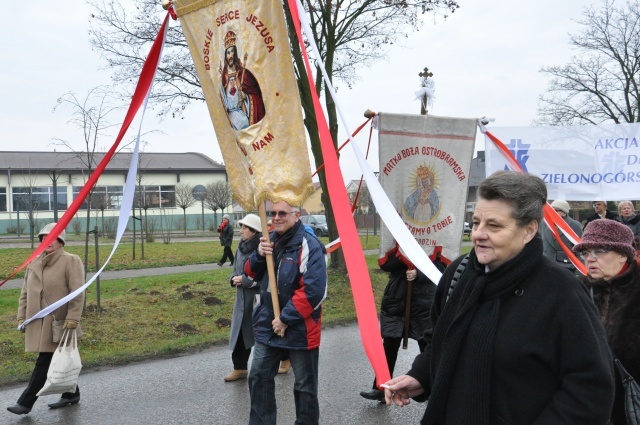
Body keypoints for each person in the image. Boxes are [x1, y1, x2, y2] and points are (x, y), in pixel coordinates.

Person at [383, 171, 615, 425]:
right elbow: (439, 340)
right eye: (476, 222)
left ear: (528, 230)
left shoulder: (562, 292)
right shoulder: (458, 274)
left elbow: (590, 389)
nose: (478, 234)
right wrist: (420, 377)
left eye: (494, 225)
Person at [245, 201, 327, 425]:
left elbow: (314, 291)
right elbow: (250, 273)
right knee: (259, 377)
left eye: (283, 213)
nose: (276, 217)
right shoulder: (268, 240)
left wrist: (285, 318)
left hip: (300, 328)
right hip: (268, 325)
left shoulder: (309, 244)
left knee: (304, 386)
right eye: (273, 213)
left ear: (297, 215)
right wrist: (259, 255)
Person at [7, 223, 85, 415]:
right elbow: (24, 294)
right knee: (57, 360)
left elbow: (77, 293)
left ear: (60, 241)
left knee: (45, 361)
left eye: (51, 238)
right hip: (37, 323)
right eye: (43, 238)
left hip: (60, 323)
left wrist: (73, 318)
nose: (46, 241)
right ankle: (71, 394)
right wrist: (21, 317)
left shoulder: (71, 261)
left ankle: (25, 403)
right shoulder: (33, 263)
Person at [573, 219, 640, 425]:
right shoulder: (577, 289)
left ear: (623, 255)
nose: (590, 259)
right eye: (586, 253)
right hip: (590, 400)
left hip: (631, 398)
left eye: (599, 251)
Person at [360, 244, 443, 402]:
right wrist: (404, 258)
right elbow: (386, 263)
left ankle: (435, 390)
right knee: (389, 344)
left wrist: (419, 273)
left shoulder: (434, 238)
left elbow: (442, 269)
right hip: (396, 298)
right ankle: (381, 387)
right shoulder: (396, 239)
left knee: (427, 346)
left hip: (423, 302)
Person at [224, 213, 262, 382]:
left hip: (257, 300)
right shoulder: (241, 247)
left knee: (265, 332)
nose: (242, 231)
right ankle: (239, 368)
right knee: (239, 333)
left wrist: (245, 281)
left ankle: (284, 359)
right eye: (242, 227)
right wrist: (233, 279)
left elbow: (266, 277)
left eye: (245, 228)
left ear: (254, 231)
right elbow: (235, 269)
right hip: (241, 299)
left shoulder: (261, 249)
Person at [220, 30, 266, 131]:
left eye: (232, 51)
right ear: (225, 56)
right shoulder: (223, 78)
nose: (230, 55)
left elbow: (257, 95)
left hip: (243, 116)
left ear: (236, 52)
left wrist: (247, 97)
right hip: (230, 119)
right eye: (228, 52)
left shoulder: (244, 74)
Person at [541, 199, 583, 273]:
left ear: (564, 212)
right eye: (552, 210)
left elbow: (580, 247)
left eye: (556, 210)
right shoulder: (544, 224)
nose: (552, 213)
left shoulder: (574, 225)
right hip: (546, 265)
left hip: (566, 266)